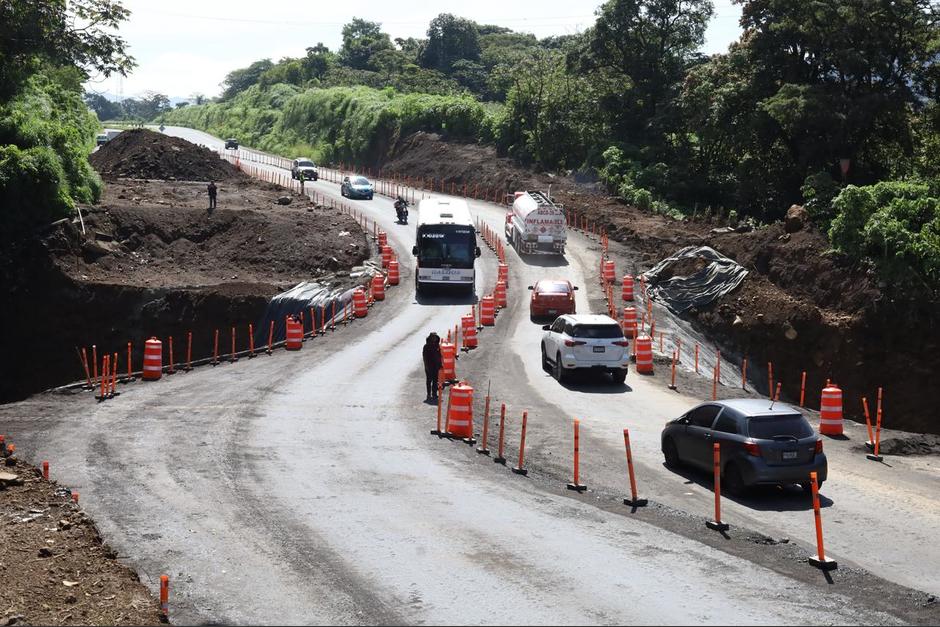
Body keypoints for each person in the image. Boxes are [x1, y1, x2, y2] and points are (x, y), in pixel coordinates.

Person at [422, 332, 442, 402]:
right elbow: (425, 357)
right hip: (429, 367)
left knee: (435, 380)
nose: (434, 338)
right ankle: (428, 394)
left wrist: (440, 365)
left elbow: (439, 356)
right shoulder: (426, 346)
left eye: (435, 337)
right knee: (429, 381)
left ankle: (434, 393)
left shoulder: (437, 346)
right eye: (433, 337)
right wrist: (427, 366)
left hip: (436, 367)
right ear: (430, 338)